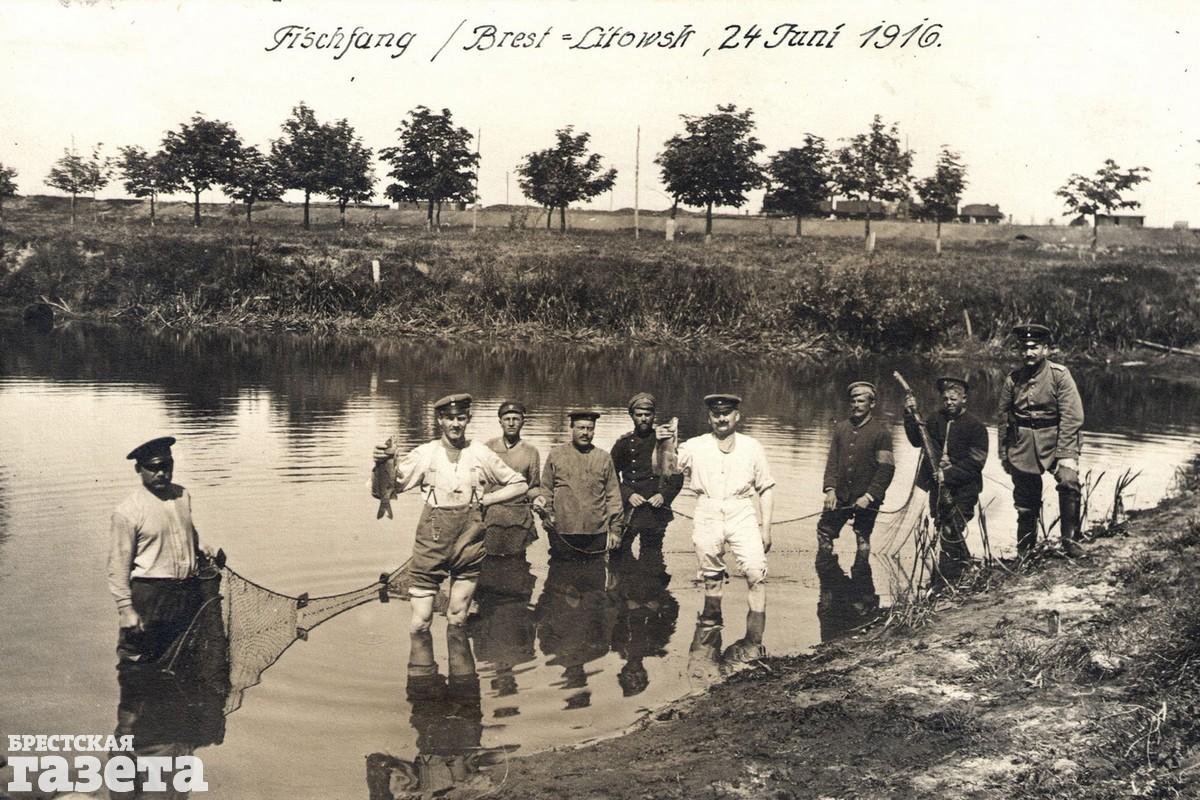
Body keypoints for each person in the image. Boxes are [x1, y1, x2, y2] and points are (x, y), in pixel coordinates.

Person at [373, 394, 529, 633]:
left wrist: (488, 499)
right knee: (421, 621)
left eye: (461, 418)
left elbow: (519, 484)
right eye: (449, 418)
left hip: (469, 541)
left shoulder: (480, 452)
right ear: (440, 420)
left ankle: (459, 655)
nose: (455, 424)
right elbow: (384, 490)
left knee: (458, 617)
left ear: (468, 419)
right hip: (431, 541)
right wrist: (379, 465)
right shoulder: (425, 453)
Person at [677, 394, 774, 654]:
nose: (722, 418)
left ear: (736, 416)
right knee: (711, 577)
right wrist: (663, 441)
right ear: (709, 418)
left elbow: (765, 488)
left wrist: (765, 528)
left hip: (741, 510)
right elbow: (666, 467)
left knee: (756, 573)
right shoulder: (694, 446)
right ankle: (710, 640)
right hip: (707, 510)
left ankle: (753, 643)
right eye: (716, 414)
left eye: (727, 413)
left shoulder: (752, 446)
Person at [108, 436, 216, 667]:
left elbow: (183, 529)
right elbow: (117, 566)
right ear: (139, 469)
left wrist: (198, 544)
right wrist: (126, 609)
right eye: (153, 468)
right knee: (138, 658)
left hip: (187, 592)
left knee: (185, 656)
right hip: (151, 596)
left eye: (166, 466)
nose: (161, 473)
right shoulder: (127, 512)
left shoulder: (182, 495)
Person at [997, 324, 1086, 559]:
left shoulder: (1059, 375)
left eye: (1034, 347)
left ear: (1045, 349)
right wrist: (1004, 453)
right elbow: (1004, 417)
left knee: (1069, 481)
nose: (1028, 353)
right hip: (1023, 444)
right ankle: (1025, 551)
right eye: (1024, 348)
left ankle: (1070, 542)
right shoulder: (1013, 379)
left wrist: (1066, 453)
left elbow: (1072, 416)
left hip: (1056, 440)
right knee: (1025, 500)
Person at [902, 376, 989, 584]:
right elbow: (917, 441)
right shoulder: (935, 419)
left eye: (953, 399)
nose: (949, 403)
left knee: (953, 528)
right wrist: (909, 415)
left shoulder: (976, 426)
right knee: (943, 527)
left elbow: (976, 462)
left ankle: (952, 578)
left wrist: (948, 475)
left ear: (964, 399)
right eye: (946, 399)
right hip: (938, 489)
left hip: (964, 490)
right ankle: (951, 577)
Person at [816, 381, 896, 558]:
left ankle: (861, 572)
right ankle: (827, 570)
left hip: (867, 499)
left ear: (872, 404)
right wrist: (830, 490)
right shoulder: (841, 428)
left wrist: (869, 497)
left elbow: (886, 470)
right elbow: (832, 463)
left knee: (863, 538)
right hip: (840, 496)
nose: (856, 405)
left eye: (861, 401)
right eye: (853, 401)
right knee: (824, 532)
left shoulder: (881, 433)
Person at [532, 410, 624, 559]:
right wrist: (546, 516)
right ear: (572, 428)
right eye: (581, 428)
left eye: (590, 428)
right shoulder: (556, 455)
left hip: (596, 532)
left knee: (595, 571)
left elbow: (613, 497)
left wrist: (615, 530)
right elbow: (546, 490)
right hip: (563, 530)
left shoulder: (604, 458)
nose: (585, 433)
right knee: (559, 571)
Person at [610, 392, 684, 554]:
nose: (643, 418)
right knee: (618, 552)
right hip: (629, 508)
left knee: (652, 555)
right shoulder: (623, 444)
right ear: (631, 416)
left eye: (647, 414)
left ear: (653, 415)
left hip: (655, 509)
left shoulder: (665, 441)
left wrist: (663, 496)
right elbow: (610, 476)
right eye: (639, 415)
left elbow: (677, 476)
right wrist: (628, 494)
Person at [482, 400, 541, 556]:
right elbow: (479, 482)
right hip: (491, 514)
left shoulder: (531, 451)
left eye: (516, 419)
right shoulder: (488, 447)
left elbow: (533, 486)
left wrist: (538, 499)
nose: (511, 423)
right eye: (507, 419)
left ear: (523, 422)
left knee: (518, 562)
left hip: (518, 516)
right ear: (500, 422)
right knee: (488, 560)